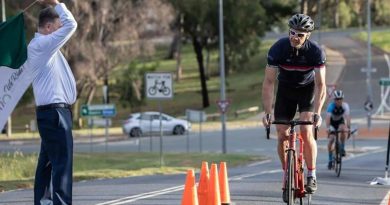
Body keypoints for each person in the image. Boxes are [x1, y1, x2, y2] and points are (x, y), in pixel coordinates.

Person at [262, 13, 326, 196]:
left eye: (299, 35)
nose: (294, 37)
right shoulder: (278, 49)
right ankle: (288, 173)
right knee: (282, 134)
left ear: (307, 36)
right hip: (286, 91)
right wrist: (267, 112)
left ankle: (311, 175)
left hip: (306, 90)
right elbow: (268, 83)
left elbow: (321, 85)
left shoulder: (315, 52)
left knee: (306, 131)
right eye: (292, 32)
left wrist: (318, 113)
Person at [27, 0, 77, 204]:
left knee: (47, 163)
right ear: (48, 28)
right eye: (57, 28)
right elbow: (71, 24)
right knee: (62, 164)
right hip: (55, 114)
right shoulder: (41, 45)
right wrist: (56, 3)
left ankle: (43, 201)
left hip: (52, 113)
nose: (60, 32)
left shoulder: (44, 48)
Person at [326, 90, 351, 169]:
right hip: (332, 123)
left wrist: (349, 128)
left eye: (340, 99)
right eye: (337, 99)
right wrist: (328, 128)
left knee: (343, 129)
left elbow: (347, 118)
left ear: (342, 99)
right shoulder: (331, 106)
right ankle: (330, 159)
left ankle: (342, 148)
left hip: (340, 122)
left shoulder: (345, 106)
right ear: (334, 100)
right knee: (331, 139)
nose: (339, 101)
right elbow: (328, 118)